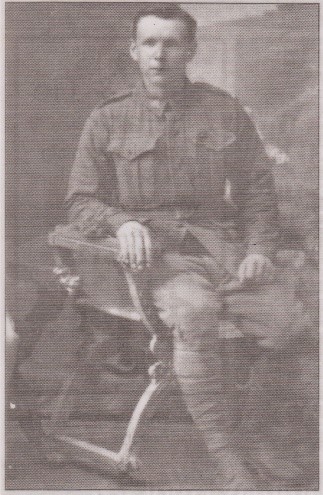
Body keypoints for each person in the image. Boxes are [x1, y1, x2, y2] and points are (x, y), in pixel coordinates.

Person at [66, 4, 303, 488]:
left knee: (292, 323)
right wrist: (122, 220)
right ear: (134, 51)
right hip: (151, 262)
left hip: (223, 250)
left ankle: (259, 435)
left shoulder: (222, 108)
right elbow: (80, 202)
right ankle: (227, 458)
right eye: (150, 44)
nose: (160, 55)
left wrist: (259, 248)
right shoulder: (107, 119)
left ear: (191, 50)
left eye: (171, 44)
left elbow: (258, 190)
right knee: (194, 314)